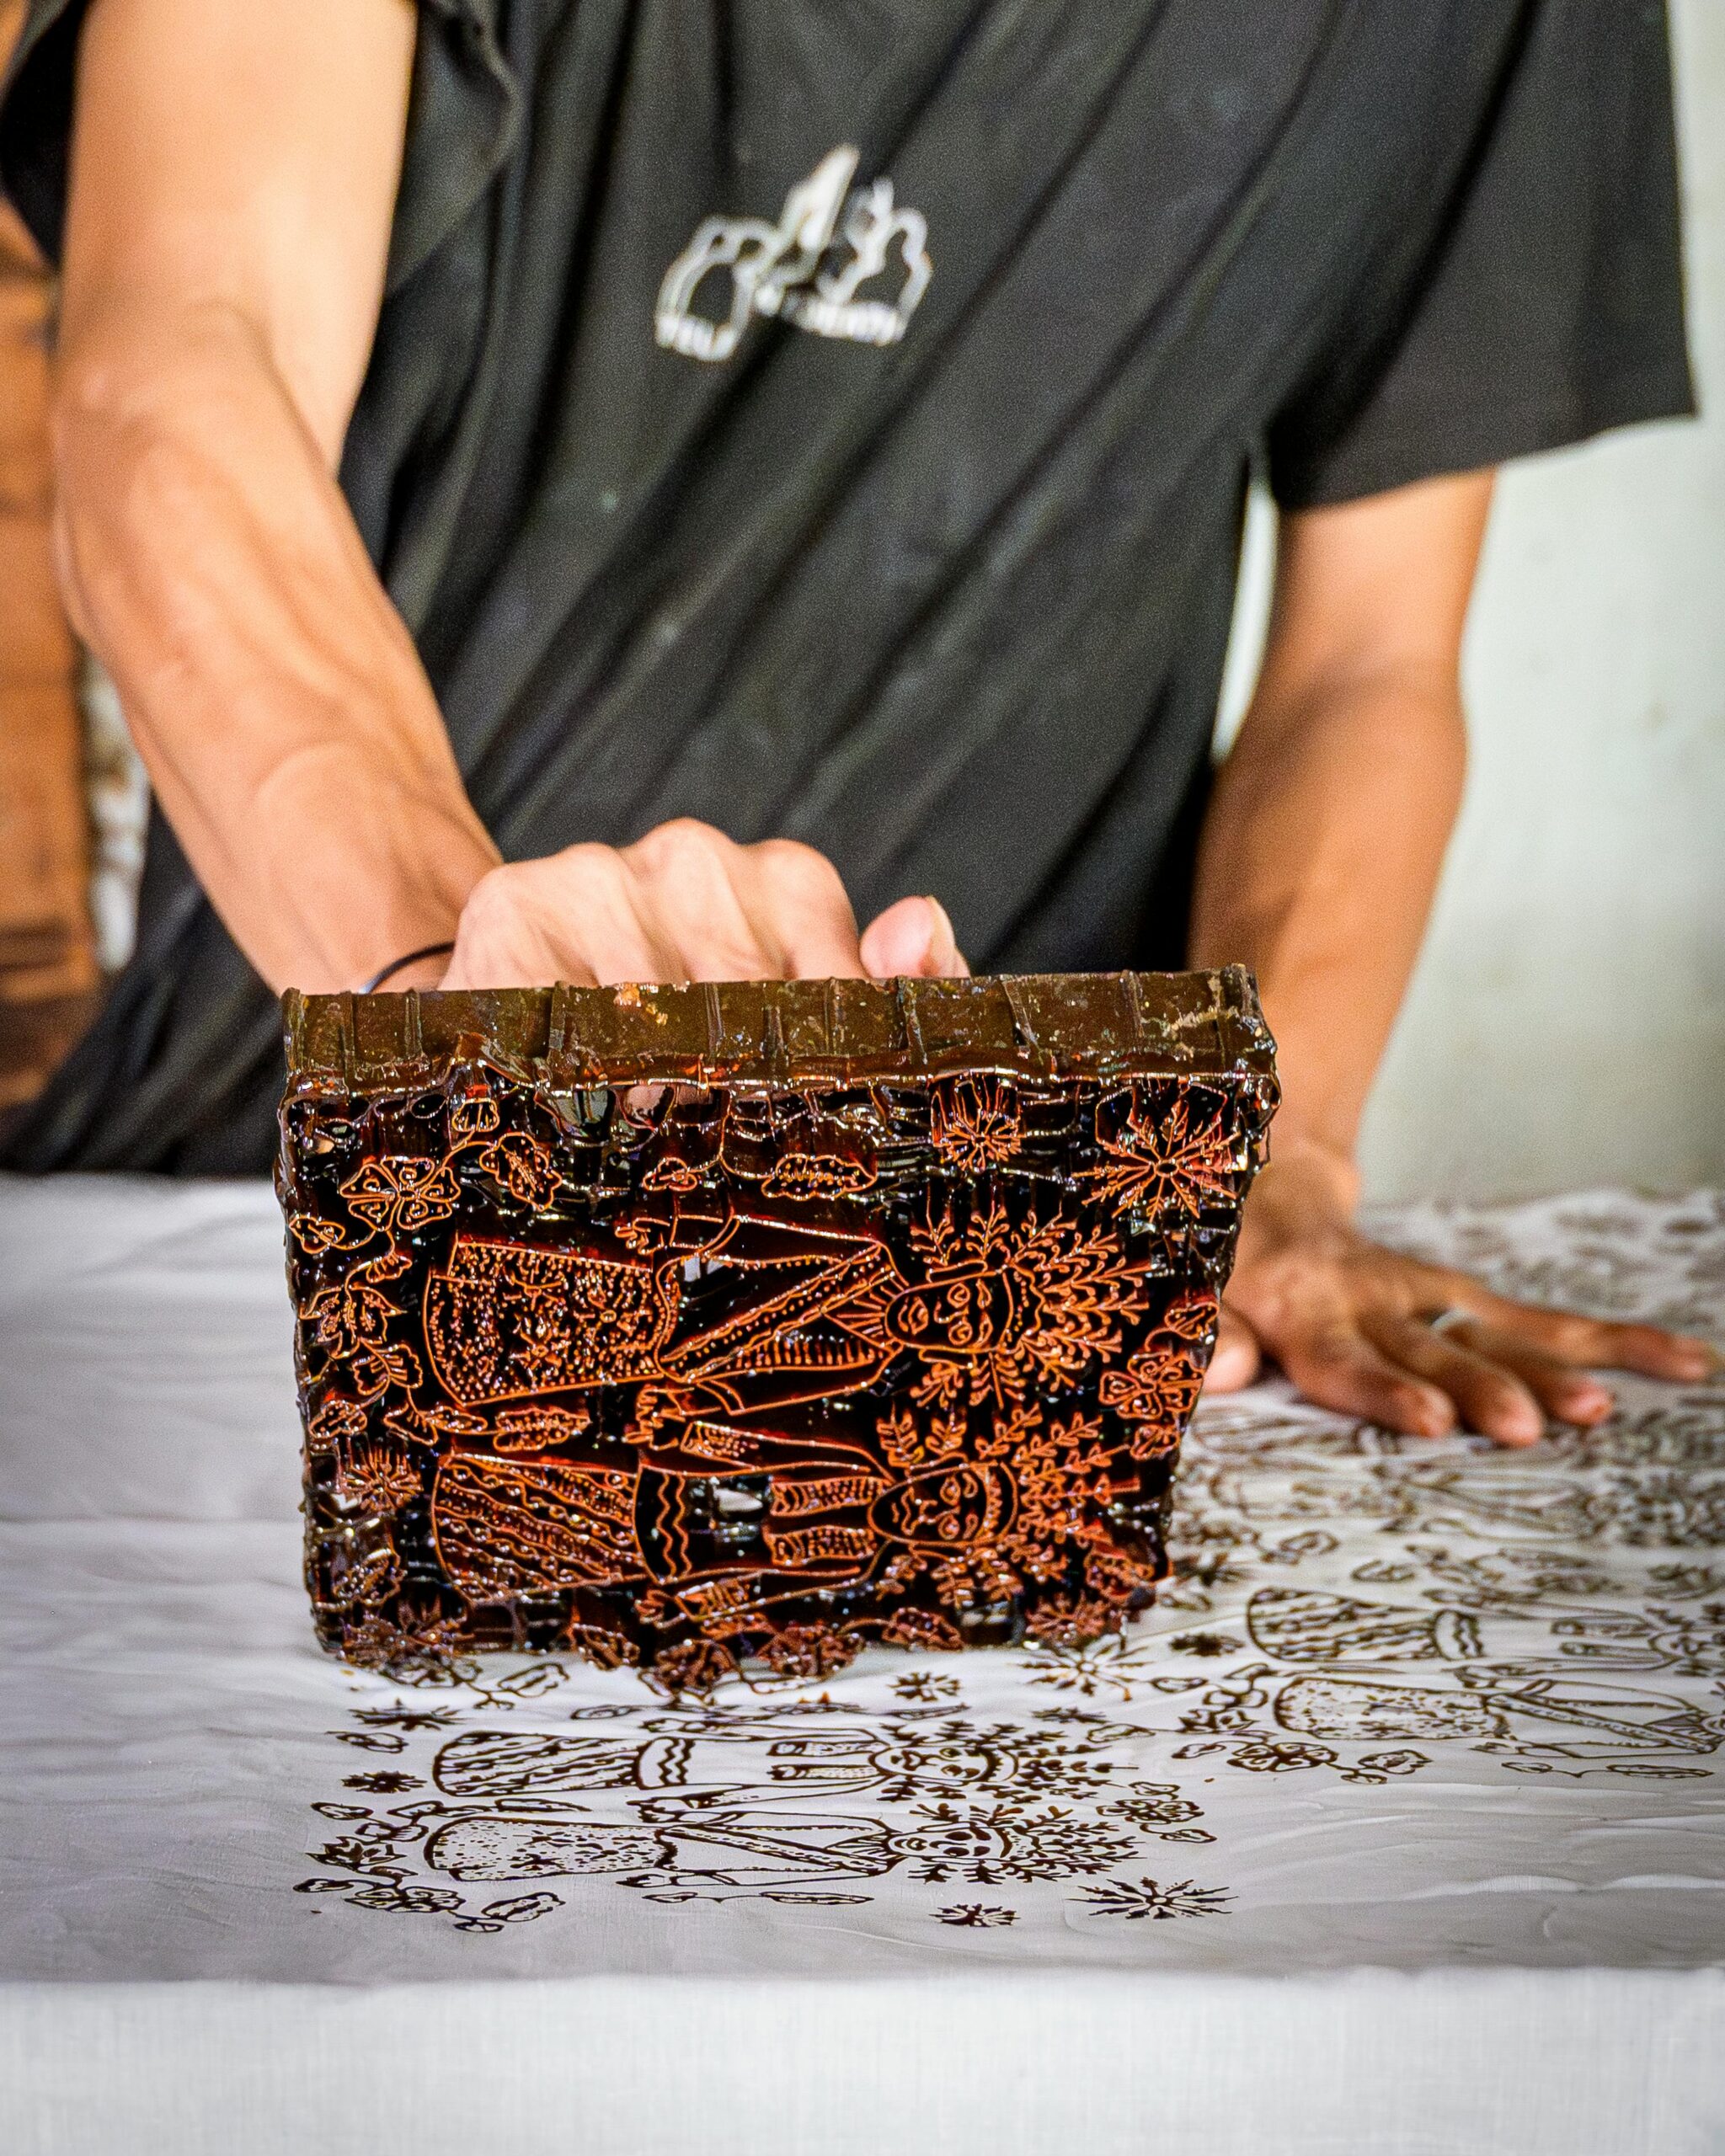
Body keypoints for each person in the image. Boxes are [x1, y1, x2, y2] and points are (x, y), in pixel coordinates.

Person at [0, 0, 1712, 1439]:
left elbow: (1368, 665)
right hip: (280, 1198)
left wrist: (1258, 1152)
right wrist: (467, 1017)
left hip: (1006, 1276)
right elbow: (177, 376)